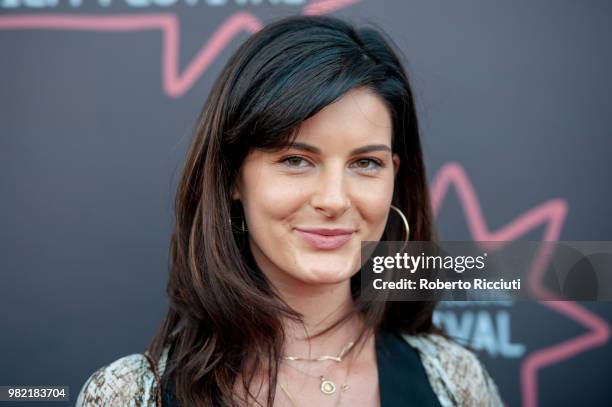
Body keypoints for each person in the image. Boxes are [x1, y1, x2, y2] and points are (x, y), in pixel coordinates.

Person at [76, 15, 503, 407]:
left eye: (364, 163)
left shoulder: (453, 381)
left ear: (393, 175)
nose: (334, 200)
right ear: (232, 179)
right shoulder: (130, 394)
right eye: (296, 160)